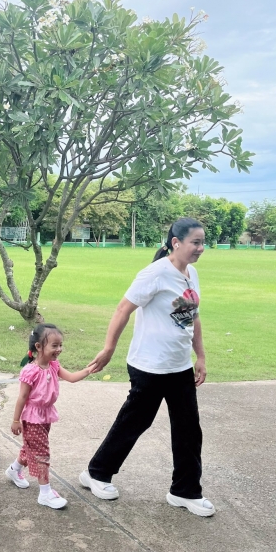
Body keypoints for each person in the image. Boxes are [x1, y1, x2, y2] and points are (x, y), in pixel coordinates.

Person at [79, 217, 214, 517]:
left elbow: (193, 317)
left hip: (178, 366)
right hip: (149, 366)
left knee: (189, 430)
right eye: (195, 242)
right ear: (176, 242)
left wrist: (200, 357)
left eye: (202, 243)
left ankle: (185, 491)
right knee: (134, 423)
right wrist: (108, 349)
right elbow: (122, 309)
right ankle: (96, 473)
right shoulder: (155, 274)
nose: (201, 248)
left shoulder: (190, 273)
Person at [7, 324, 94, 510]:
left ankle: (14, 470)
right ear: (39, 347)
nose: (59, 349)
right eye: (54, 345)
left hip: (46, 415)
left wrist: (89, 370)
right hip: (32, 418)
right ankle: (45, 493)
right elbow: (22, 397)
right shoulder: (30, 371)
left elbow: (71, 377)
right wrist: (15, 420)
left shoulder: (54, 365)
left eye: (60, 345)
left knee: (32, 447)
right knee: (41, 453)